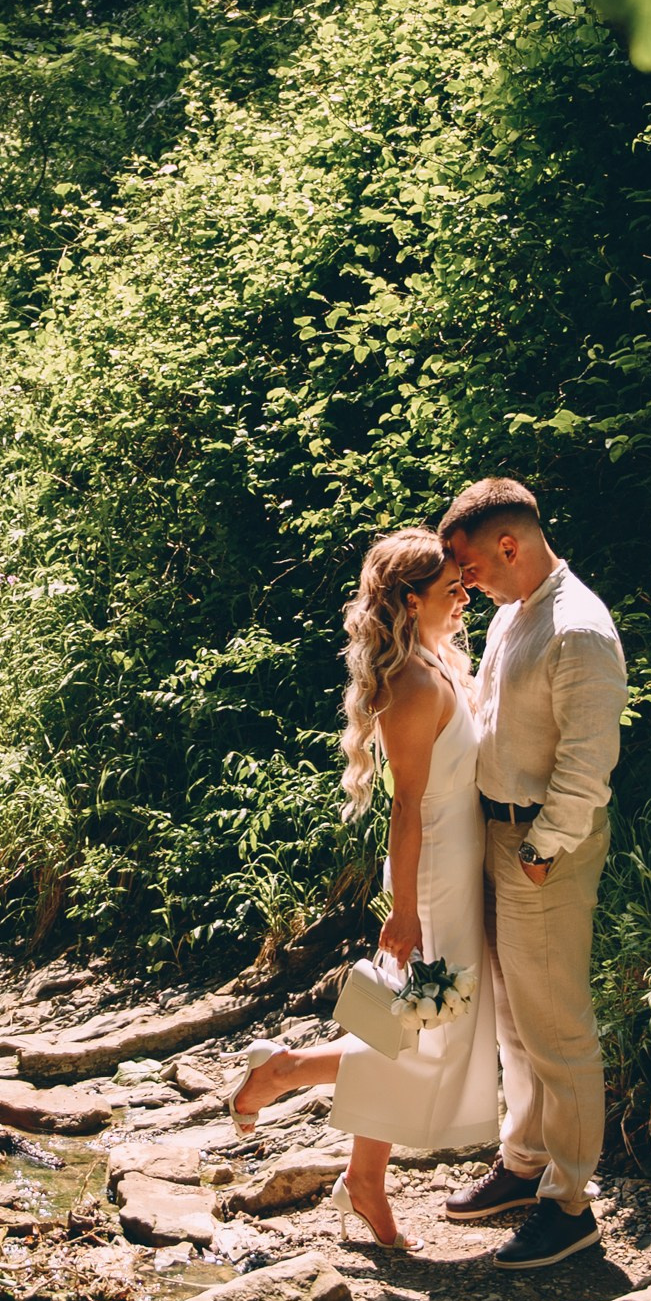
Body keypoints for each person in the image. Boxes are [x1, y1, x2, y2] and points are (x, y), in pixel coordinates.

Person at [228, 527, 495, 1247]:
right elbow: (406, 807)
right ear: (410, 600)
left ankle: (363, 1180)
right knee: (428, 1031)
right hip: (434, 872)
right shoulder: (409, 685)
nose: (465, 595)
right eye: (450, 589)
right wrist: (406, 909)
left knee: (409, 1023)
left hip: (457, 865)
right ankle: (285, 1073)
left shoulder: (434, 659)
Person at [438, 476, 626, 1268]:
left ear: (508, 546)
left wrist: (543, 851)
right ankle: (524, 1164)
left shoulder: (578, 628)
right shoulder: (514, 612)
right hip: (497, 835)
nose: (462, 581)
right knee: (514, 1019)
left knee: (559, 1029)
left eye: (468, 565)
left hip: (542, 850)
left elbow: (588, 765)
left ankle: (571, 1204)